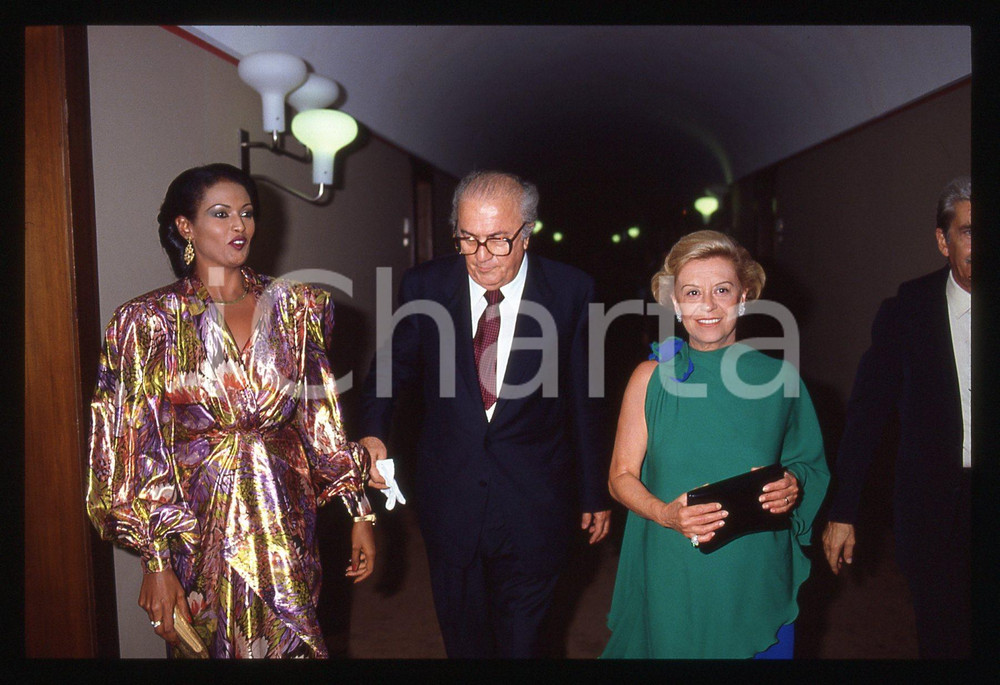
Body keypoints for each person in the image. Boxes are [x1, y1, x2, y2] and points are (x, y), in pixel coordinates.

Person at [86, 163, 375, 659]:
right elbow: (132, 445)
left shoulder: (297, 307)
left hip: (287, 518)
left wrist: (358, 509)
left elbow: (318, 418)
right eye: (220, 214)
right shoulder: (146, 322)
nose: (239, 226)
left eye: (246, 213)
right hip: (199, 530)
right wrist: (156, 560)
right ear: (185, 227)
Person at [359, 170, 612, 658]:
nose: (480, 256)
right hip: (450, 498)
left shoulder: (572, 290)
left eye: (498, 240)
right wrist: (373, 432)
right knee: (465, 641)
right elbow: (391, 369)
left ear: (527, 233)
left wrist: (592, 490)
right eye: (468, 239)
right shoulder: (424, 286)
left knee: (526, 643)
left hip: (537, 498)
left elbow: (586, 397)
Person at [601, 230, 830, 658]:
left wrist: (793, 484)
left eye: (721, 290)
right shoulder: (650, 379)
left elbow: (807, 464)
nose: (707, 305)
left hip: (756, 571)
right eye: (692, 292)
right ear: (675, 302)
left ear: (743, 297)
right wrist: (665, 514)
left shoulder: (781, 380)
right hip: (676, 569)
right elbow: (620, 477)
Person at [821, 176, 971, 658]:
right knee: (943, 635)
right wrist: (844, 510)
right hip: (934, 510)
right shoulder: (908, 310)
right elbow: (866, 415)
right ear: (943, 240)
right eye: (969, 231)